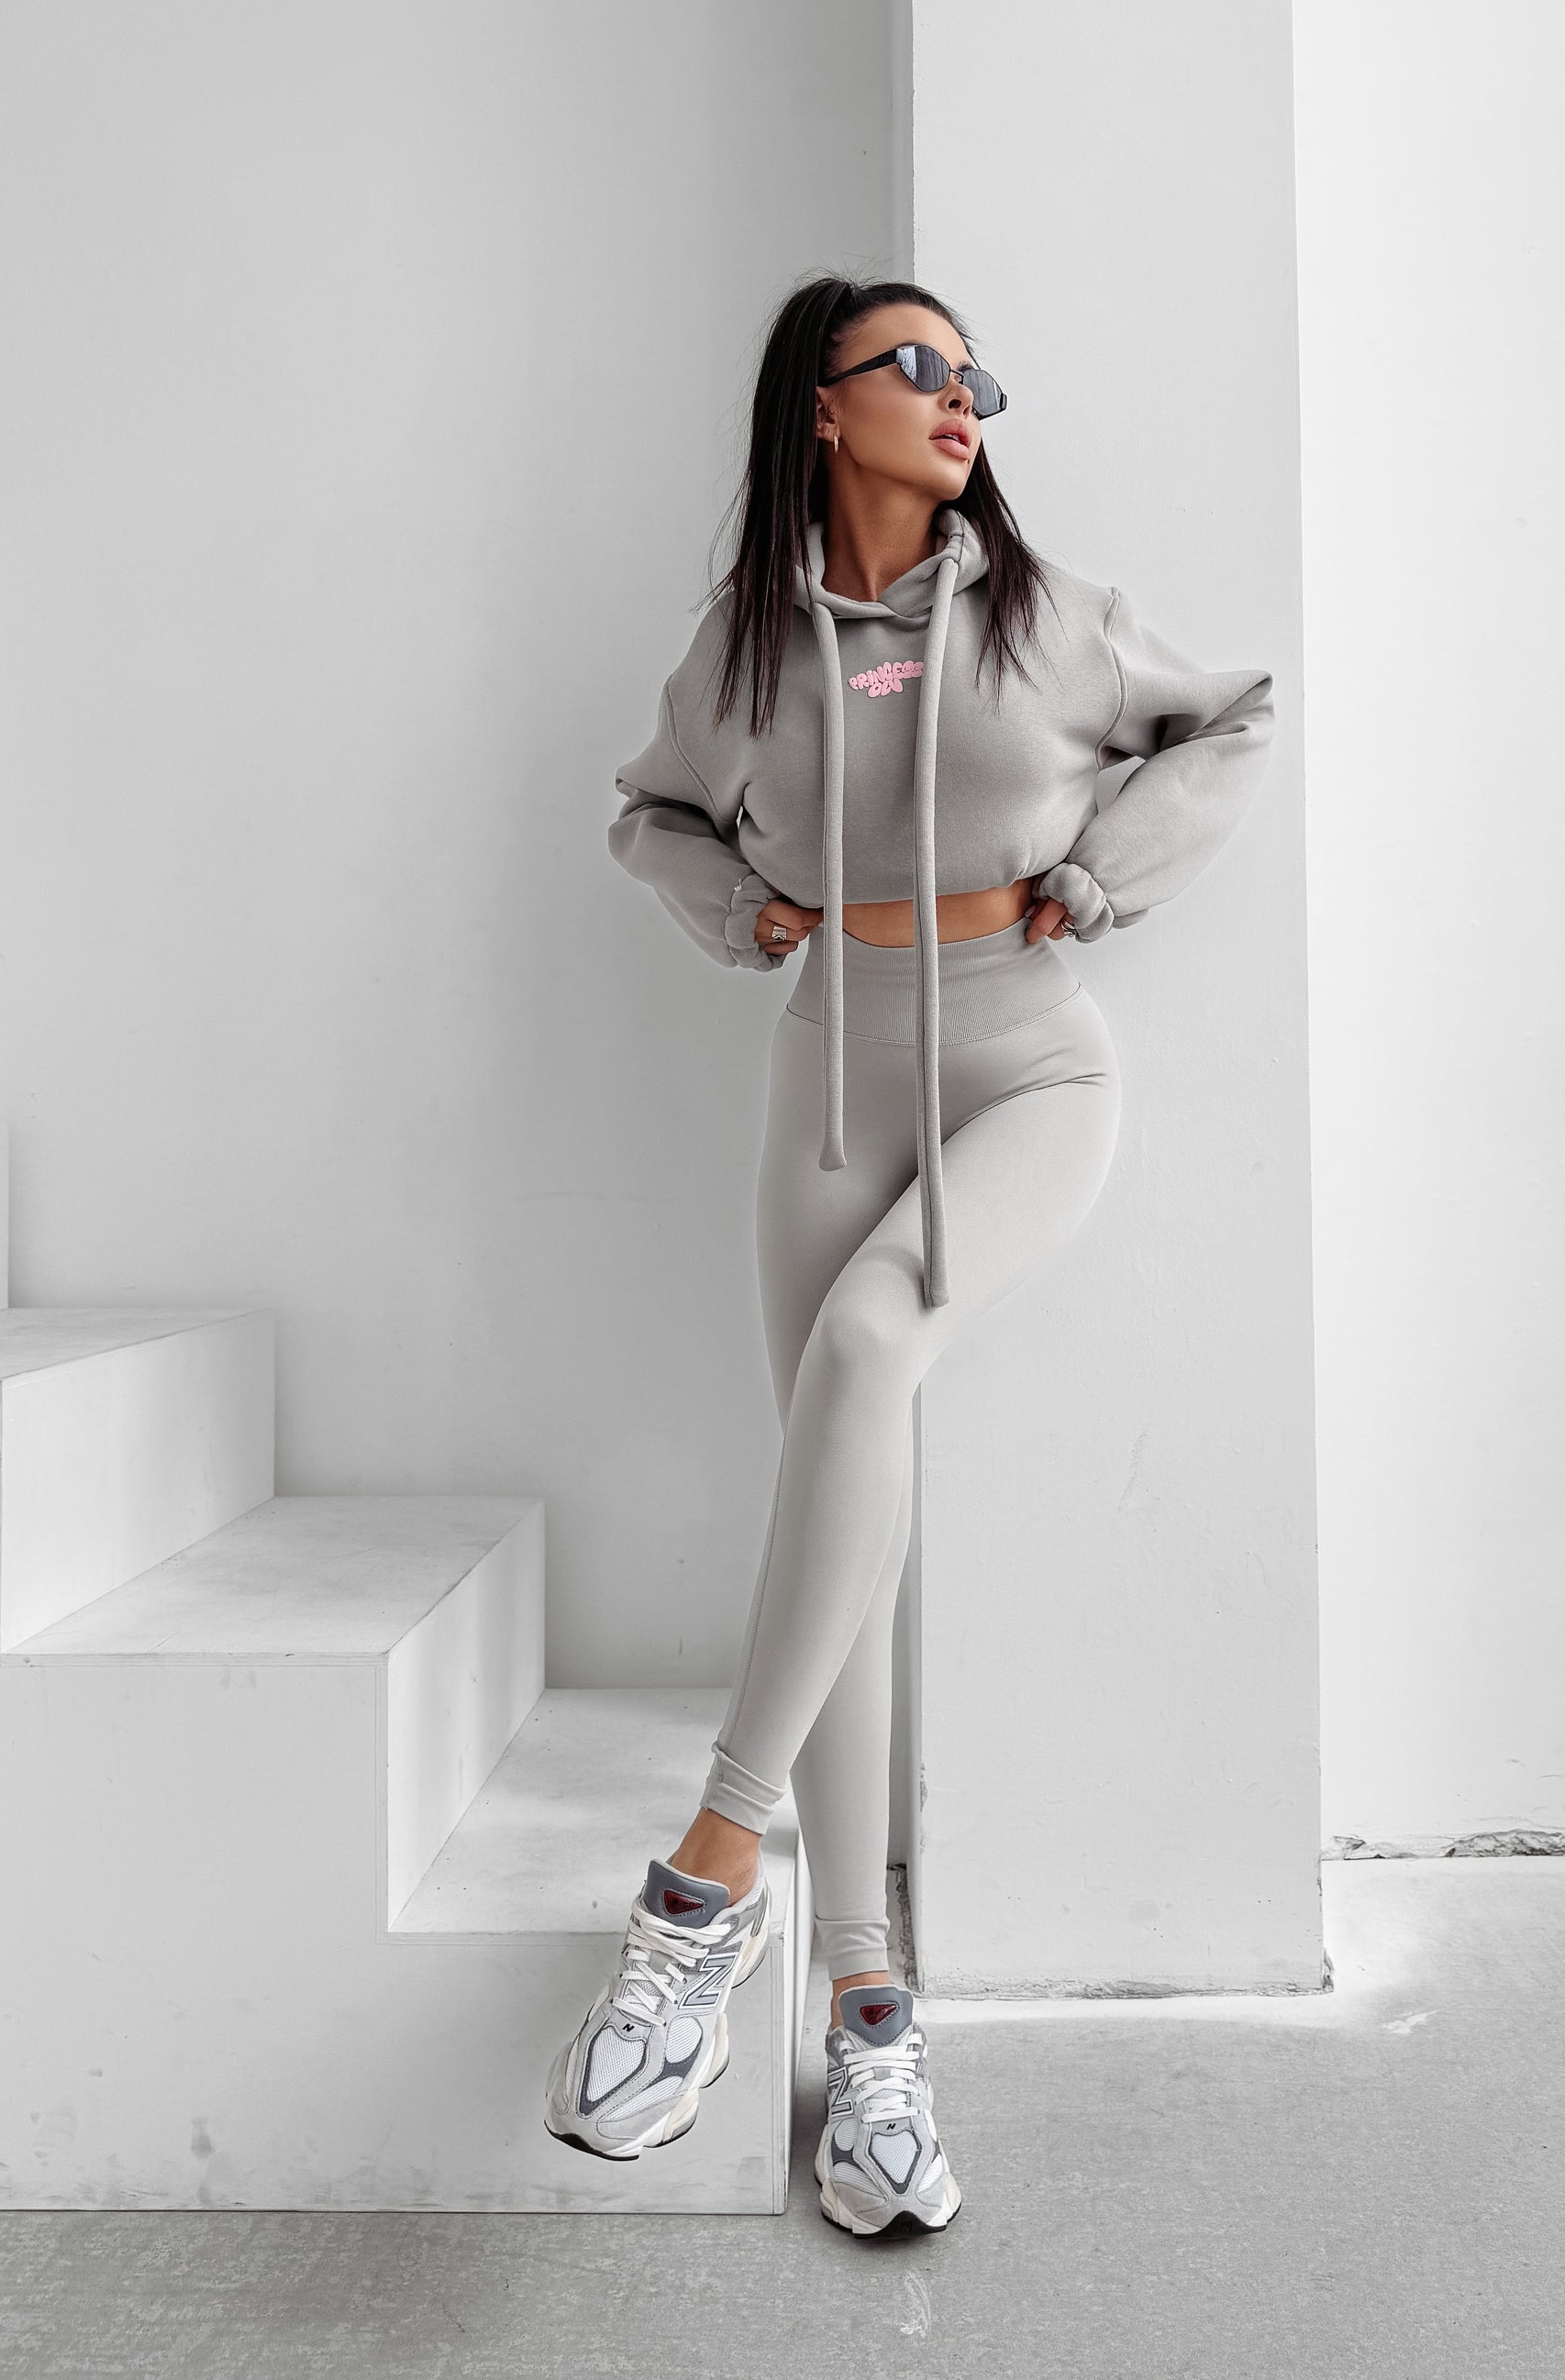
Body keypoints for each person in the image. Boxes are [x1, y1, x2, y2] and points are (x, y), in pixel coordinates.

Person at [543, 274, 1275, 2238]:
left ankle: (701, 1886)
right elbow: (643, 812)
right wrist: (735, 907)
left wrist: (1106, 872)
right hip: (827, 1082)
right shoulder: (745, 650)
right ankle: (872, 2025)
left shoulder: (1053, 618)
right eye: (918, 369)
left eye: (974, 378)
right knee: (841, 1536)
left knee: (866, 1355)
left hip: (1029, 1069)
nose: (961, 401)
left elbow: (1238, 715)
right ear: (821, 404)